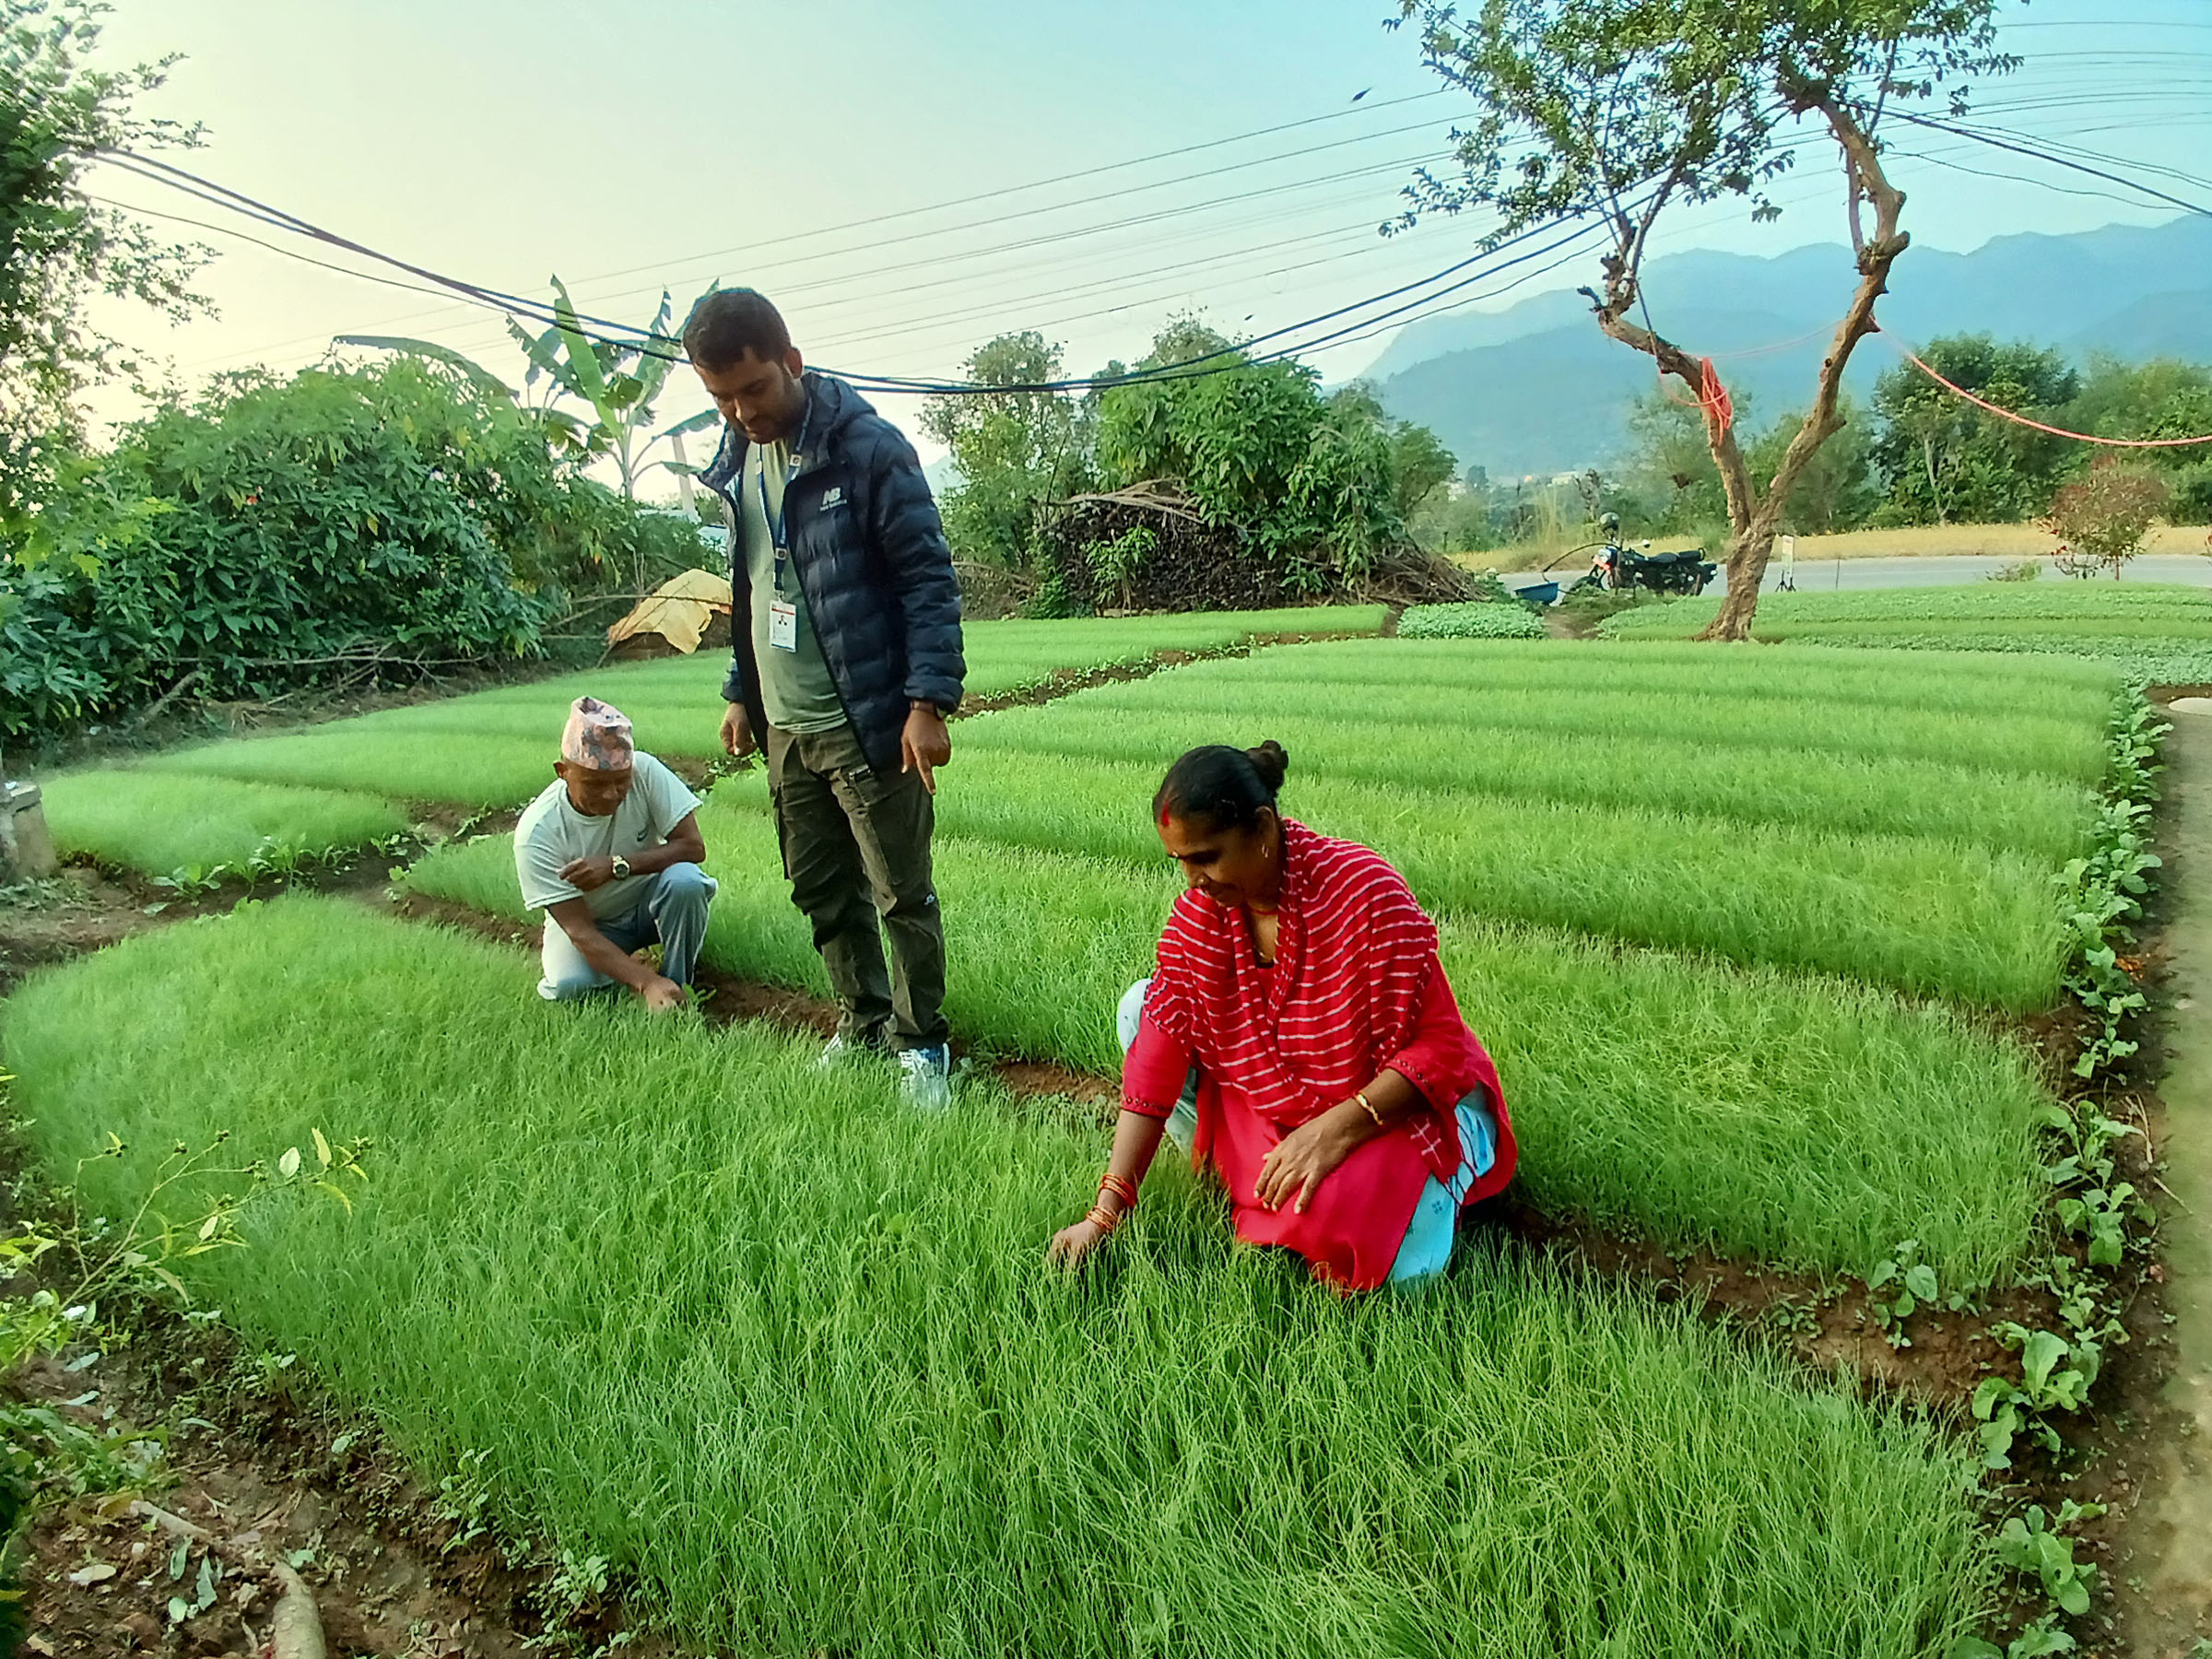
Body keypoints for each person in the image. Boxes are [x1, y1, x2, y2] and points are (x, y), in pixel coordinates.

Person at [1047, 743, 1517, 1290]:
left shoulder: (1362, 892)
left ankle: (1453, 1173)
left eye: (1207, 856)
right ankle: (1238, 1176)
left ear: (1264, 828)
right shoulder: (1203, 917)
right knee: (1141, 1008)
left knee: (1378, 1254)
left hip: (1389, 1103)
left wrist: (1337, 1129)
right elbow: (1155, 1062)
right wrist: (1105, 1213)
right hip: (1279, 1101)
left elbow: (1440, 1049)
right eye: (1181, 862)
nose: (1193, 880)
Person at [683, 288, 967, 1110]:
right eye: (722, 399)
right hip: (785, 724)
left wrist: (928, 701)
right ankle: (863, 1021)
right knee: (820, 888)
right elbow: (752, 586)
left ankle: (924, 1046)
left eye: (755, 390)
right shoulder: (737, 462)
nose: (741, 412)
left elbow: (926, 577)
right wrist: (742, 690)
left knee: (899, 890)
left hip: (866, 716)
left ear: (792, 363)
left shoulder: (868, 451)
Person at [514, 697, 716, 1010]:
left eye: (621, 782)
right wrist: (644, 981)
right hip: (595, 924)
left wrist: (616, 866)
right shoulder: (538, 832)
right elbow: (579, 931)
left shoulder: (646, 771)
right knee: (571, 986)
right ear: (563, 771)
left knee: (686, 882)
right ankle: (647, 983)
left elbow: (693, 847)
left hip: (650, 905)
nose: (612, 795)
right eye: (595, 784)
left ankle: (678, 984)